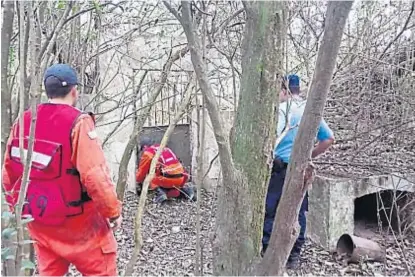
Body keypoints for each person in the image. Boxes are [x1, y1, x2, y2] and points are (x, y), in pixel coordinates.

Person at [2, 64, 122, 276]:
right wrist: (113, 212)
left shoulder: (24, 121)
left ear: (46, 91)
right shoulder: (79, 123)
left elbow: (9, 173)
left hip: (40, 221)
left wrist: (17, 208)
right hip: (81, 227)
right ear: (74, 91)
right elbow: (95, 177)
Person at [261, 74, 335, 268]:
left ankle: (268, 250)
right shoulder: (310, 111)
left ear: (284, 91)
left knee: (270, 209)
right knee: (298, 211)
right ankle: (294, 255)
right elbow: (328, 139)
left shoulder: (281, 111)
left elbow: (271, 139)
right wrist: (310, 155)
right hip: (301, 168)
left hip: (279, 168)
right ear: (298, 90)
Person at [135, 137, 195, 203]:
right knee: (173, 186)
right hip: (181, 178)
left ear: (145, 147)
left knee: (151, 177)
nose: (143, 151)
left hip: (167, 179)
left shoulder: (148, 153)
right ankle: (186, 191)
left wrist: (138, 181)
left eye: (142, 149)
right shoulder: (166, 148)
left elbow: (142, 172)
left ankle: (160, 194)